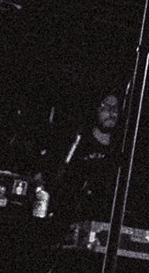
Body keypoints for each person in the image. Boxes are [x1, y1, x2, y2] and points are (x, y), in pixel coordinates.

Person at [48, 91, 121, 224]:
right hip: (72, 217)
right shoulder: (79, 141)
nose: (111, 113)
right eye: (106, 107)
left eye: (115, 108)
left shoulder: (120, 148)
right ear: (96, 109)